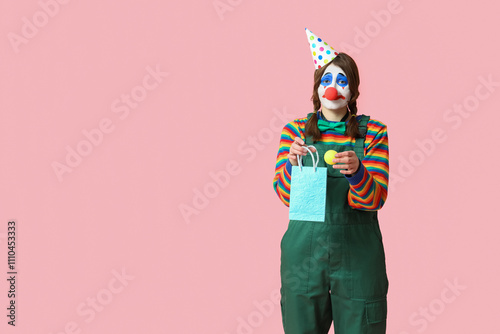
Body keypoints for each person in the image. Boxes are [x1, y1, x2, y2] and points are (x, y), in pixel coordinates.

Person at [272, 28, 390, 334]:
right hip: (304, 259)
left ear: (353, 90)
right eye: (326, 80)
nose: (333, 87)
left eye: (342, 80)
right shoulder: (295, 132)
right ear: (317, 88)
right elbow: (286, 197)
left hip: (359, 259)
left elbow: (375, 199)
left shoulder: (373, 132)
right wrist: (293, 164)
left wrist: (357, 172)